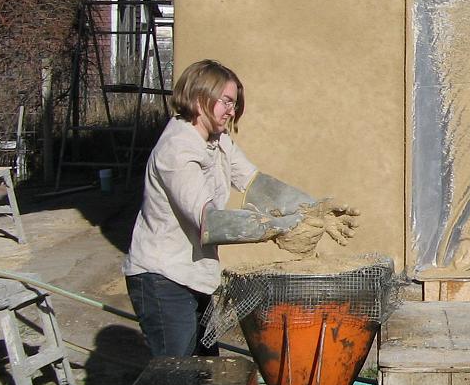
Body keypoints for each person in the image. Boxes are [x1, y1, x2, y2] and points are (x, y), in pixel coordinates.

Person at [123, 59, 356, 357]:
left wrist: (314, 209)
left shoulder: (218, 141)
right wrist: (280, 229)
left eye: (234, 103)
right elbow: (211, 223)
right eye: (227, 102)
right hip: (161, 277)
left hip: (193, 273)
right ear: (198, 97)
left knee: (206, 365)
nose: (232, 110)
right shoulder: (177, 150)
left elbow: (255, 183)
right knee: (176, 372)